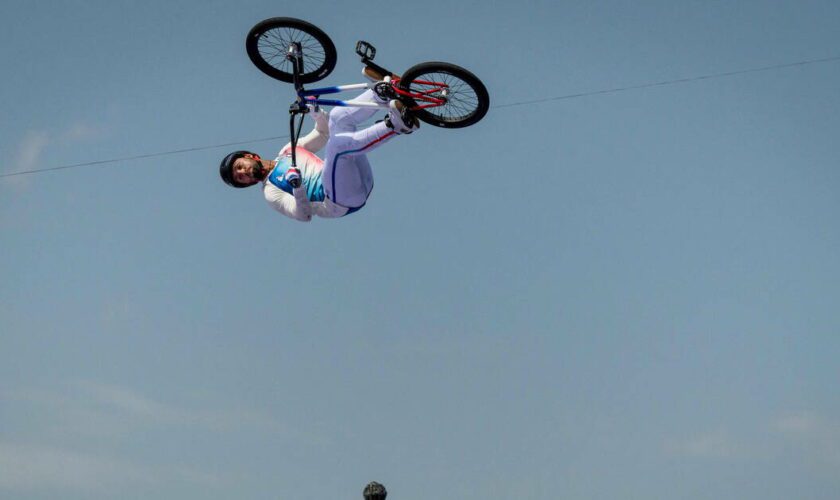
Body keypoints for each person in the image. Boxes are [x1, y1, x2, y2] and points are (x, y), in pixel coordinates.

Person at [219, 70, 419, 222]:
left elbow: (323, 133)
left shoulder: (287, 151)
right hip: (339, 201)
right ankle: (397, 126)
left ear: (250, 156)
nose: (243, 173)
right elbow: (303, 216)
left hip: (359, 180)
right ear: (249, 184)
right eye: (241, 179)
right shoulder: (271, 192)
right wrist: (297, 188)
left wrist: (316, 113)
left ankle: (382, 94)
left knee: (337, 118)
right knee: (337, 147)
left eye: (239, 167)